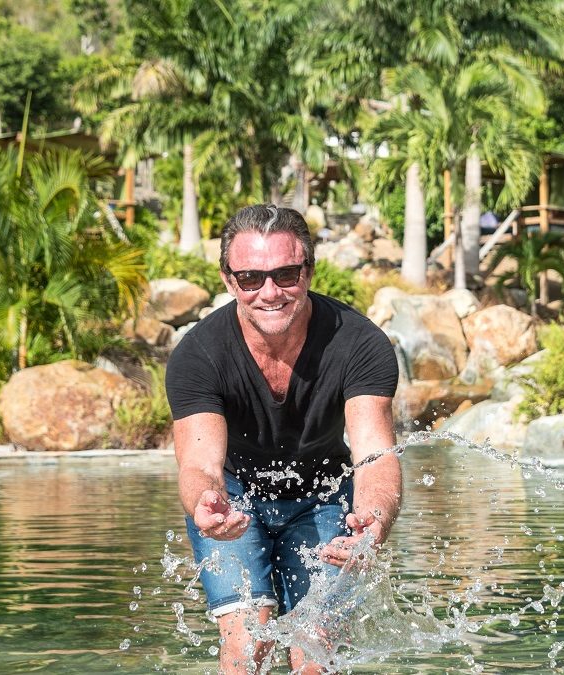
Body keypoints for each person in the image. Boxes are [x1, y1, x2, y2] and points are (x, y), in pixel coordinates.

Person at [165, 204, 402, 673]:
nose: (270, 292)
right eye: (251, 278)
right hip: (234, 500)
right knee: (247, 646)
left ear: (309, 271)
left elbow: (375, 454)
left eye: (286, 274)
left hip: (326, 497)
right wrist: (205, 504)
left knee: (315, 646)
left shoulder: (360, 344)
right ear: (229, 280)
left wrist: (373, 521)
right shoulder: (198, 356)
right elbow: (199, 466)